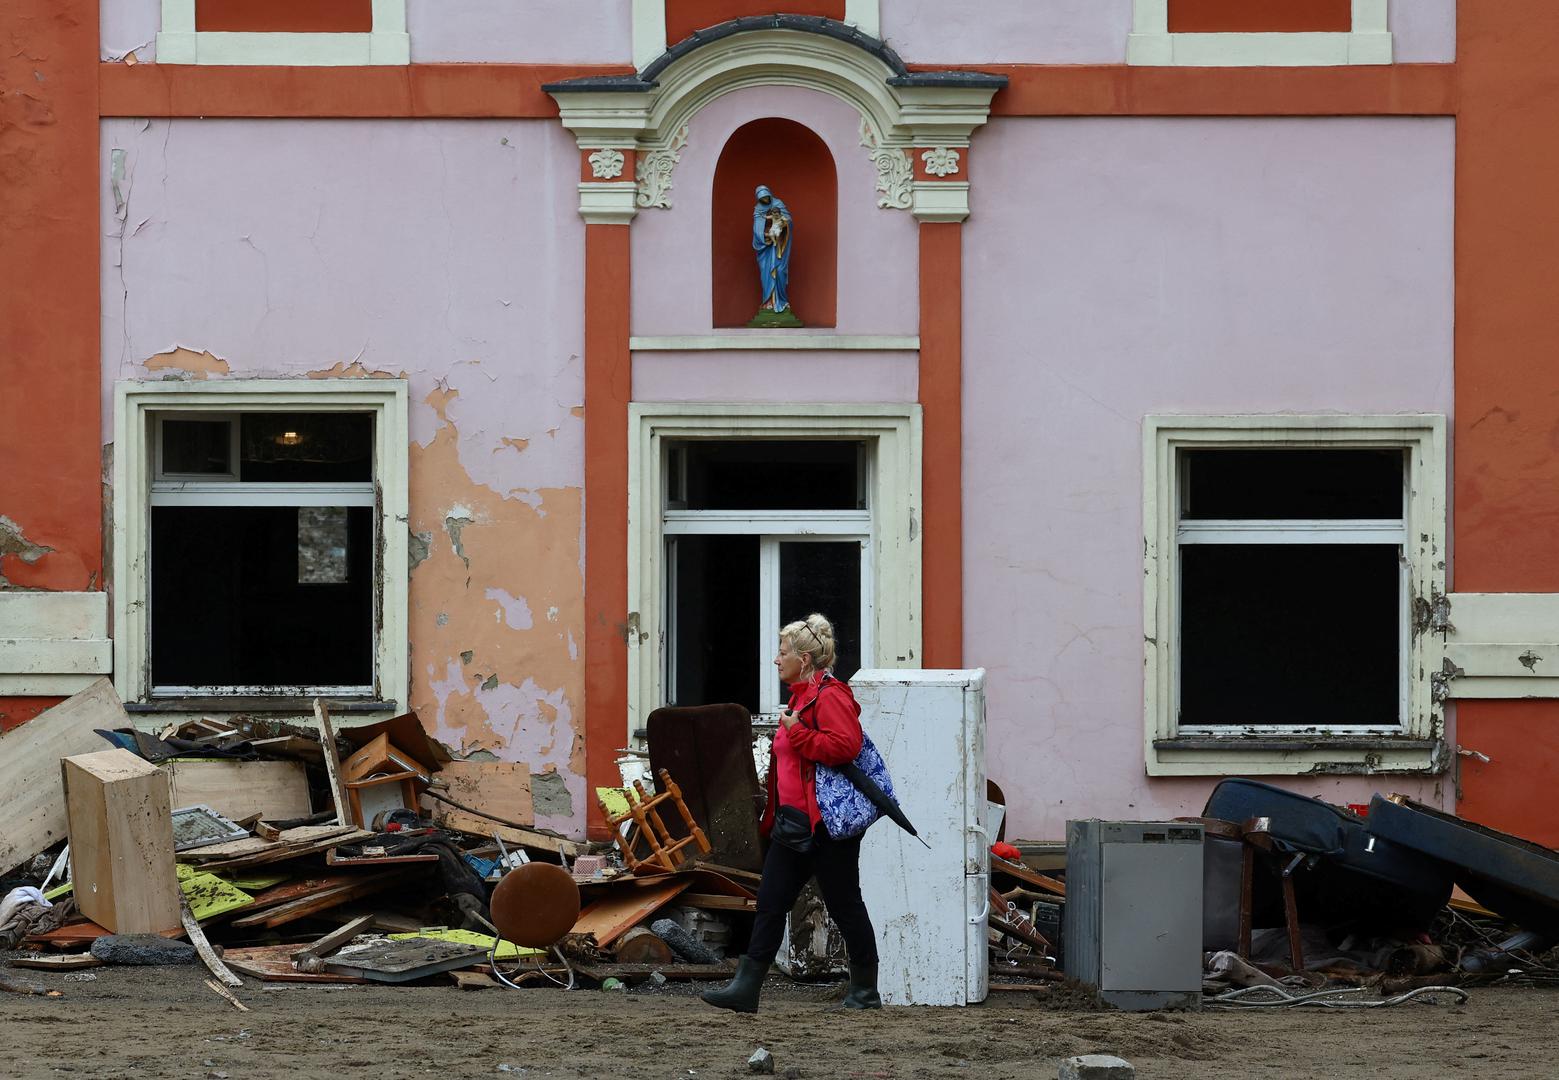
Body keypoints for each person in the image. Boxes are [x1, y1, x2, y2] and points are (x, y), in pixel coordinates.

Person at [701, 612, 881, 1013]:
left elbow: (845, 746)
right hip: (793, 824)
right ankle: (745, 990)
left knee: (845, 904)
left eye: (782, 652)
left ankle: (865, 992)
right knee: (771, 901)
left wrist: (797, 733)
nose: (775, 659)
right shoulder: (801, 697)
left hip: (826, 828)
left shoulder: (831, 696)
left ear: (804, 658)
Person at [752, 185, 793, 315]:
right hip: (766, 249)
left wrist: (783, 226)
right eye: (762, 199)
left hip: (779, 247)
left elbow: (788, 221)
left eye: (766, 198)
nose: (764, 201)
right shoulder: (758, 209)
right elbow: (757, 228)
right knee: (767, 274)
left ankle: (781, 300)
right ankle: (768, 301)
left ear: (770, 194)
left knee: (780, 271)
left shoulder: (778, 204)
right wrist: (764, 236)